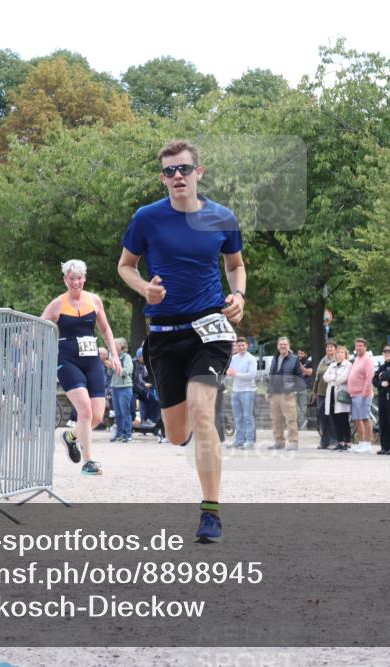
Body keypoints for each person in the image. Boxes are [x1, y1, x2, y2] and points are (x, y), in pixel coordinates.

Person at [117, 139, 246, 542]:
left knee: (202, 411)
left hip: (209, 330)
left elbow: (236, 265)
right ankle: (191, 431)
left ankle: (211, 512)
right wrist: (144, 290)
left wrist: (238, 295)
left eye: (184, 169)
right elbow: (125, 265)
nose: (177, 177)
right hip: (164, 334)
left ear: (198, 173)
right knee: (176, 433)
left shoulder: (222, 218)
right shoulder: (147, 218)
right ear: (163, 178)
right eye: (170, 171)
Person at [42, 259, 121, 475]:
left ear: (84, 279)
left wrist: (114, 355)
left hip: (91, 360)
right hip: (67, 361)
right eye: (71, 278)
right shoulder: (57, 304)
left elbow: (105, 329)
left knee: (96, 416)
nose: (76, 282)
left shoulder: (94, 301)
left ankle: (71, 437)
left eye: (79, 278)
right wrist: (41, 355)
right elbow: (39, 328)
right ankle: (89, 462)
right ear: (65, 280)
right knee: (84, 410)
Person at [266, 337, 303, 450]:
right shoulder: (275, 358)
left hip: (287, 394)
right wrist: (269, 391)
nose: (283, 346)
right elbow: (271, 376)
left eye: (285, 344)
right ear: (278, 346)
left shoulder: (294, 359)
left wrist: (294, 389)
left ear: (289, 346)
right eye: (281, 344)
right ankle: (279, 442)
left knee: (291, 419)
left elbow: (299, 377)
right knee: (276, 419)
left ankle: (293, 442)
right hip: (274, 394)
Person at [226, 338, 257, 449]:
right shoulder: (233, 358)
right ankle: (239, 440)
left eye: (243, 345)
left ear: (247, 346)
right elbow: (230, 372)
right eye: (238, 345)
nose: (241, 347)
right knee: (238, 417)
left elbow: (251, 375)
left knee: (248, 417)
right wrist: (230, 374)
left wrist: (236, 374)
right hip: (235, 391)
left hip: (248, 391)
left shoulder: (251, 359)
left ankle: (249, 441)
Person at [323, 345, 353, 452]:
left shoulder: (348, 365)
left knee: (343, 419)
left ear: (345, 354)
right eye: (338, 352)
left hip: (341, 394)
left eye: (341, 352)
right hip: (331, 393)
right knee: (335, 420)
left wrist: (333, 378)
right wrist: (334, 378)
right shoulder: (332, 364)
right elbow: (325, 377)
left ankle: (347, 442)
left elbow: (343, 378)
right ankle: (340, 442)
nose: (339, 354)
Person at [347, 338, 374, 454]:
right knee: (357, 419)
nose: (359, 347)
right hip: (354, 394)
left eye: (361, 346)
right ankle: (361, 443)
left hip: (363, 394)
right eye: (357, 345)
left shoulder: (367, 360)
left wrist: (365, 392)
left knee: (365, 418)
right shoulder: (357, 358)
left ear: (365, 347)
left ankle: (367, 444)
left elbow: (369, 377)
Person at [311, 340, 339, 449]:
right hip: (321, 393)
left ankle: (334, 440)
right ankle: (324, 440)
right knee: (322, 417)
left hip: (332, 393)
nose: (329, 349)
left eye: (331, 347)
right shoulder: (323, 360)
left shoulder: (337, 360)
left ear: (335, 349)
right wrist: (314, 392)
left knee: (332, 417)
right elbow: (317, 378)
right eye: (327, 347)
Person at [107, 338, 135, 443]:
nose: (113, 346)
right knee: (117, 413)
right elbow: (110, 374)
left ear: (122, 346)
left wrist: (113, 367)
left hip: (125, 388)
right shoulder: (114, 358)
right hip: (115, 387)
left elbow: (126, 371)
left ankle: (128, 434)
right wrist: (109, 368)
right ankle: (119, 434)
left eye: (115, 345)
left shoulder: (126, 357)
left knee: (125, 412)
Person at [295, 349, 314, 429]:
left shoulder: (309, 362)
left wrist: (300, 366)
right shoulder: (295, 362)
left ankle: (300, 425)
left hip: (306, 387)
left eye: (301, 353)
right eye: (298, 353)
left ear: (305, 354)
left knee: (302, 407)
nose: (300, 355)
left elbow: (308, 372)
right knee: (294, 405)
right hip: (296, 387)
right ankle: (301, 422)